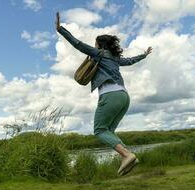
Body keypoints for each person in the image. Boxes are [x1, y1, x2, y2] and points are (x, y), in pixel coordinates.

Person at [55, 12, 152, 176]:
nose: (94, 46)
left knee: (99, 131)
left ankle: (127, 155)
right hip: (124, 97)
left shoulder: (99, 53)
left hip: (110, 96)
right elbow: (130, 60)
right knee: (109, 132)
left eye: (95, 44)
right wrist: (144, 54)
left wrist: (60, 29)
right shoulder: (115, 58)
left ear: (100, 45)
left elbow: (78, 44)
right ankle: (128, 158)